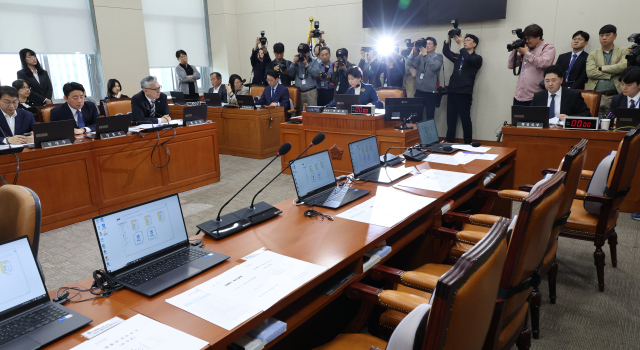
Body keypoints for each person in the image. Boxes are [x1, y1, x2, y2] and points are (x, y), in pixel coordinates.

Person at [443, 32, 483, 144]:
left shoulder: (477, 58)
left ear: (474, 44)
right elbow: (446, 52)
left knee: (465, 119)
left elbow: (468, 59)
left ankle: (468, 143)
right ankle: (449, 142)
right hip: (452, 91)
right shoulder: (458, 56)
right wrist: (448, 39)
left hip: (464, 93)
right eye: (464, 40)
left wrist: (460, 45)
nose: (465, 41)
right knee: (450, 119)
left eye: (468, 40)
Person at [586, 25, 629, 116]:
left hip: (614, 95)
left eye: (607, 35)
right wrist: (614, 71)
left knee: (613, 124)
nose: (604, 38)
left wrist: (602, 68)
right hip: (596, 96)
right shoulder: (593, 54)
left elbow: (624, 66)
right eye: (601, 36)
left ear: (615, 36)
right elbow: (590, 73)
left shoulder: (623, 51)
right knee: (594, 125)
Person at [508, 24, 556, 106]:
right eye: (525, 38)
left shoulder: (548, 48)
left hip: (535, 96)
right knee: (517, 119)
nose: (526, 41)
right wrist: (515, 50)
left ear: (538, 36)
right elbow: (510, 65)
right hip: (519, 96)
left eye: (529, 38)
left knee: (534, 119)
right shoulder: (526, 49)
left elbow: (544, 63)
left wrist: (526, 53)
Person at [408, 37, 443, 121]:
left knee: (429, 116)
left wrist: (425, 55)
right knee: (416, 116)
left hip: (431, 92)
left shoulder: (438, 56)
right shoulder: (420, 57)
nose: (427, 45)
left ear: (435, 46)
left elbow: (434, 67)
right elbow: (409, 63)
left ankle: (429, 134)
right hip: (419, 90)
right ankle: (416, 134)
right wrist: (413, 50)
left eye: (430, 43)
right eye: (426, 43)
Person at [289, 43, 319, 109]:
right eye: (300, 52)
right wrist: (293, 62)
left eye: (304, 52)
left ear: (308, 52)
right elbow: (290, 74)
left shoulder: (314, 61)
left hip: (311, 92)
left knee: (312, 113)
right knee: (300, 114)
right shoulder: (296, 62)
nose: (302, 54)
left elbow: (316, 74)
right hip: (299, 92)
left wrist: (307, 65)